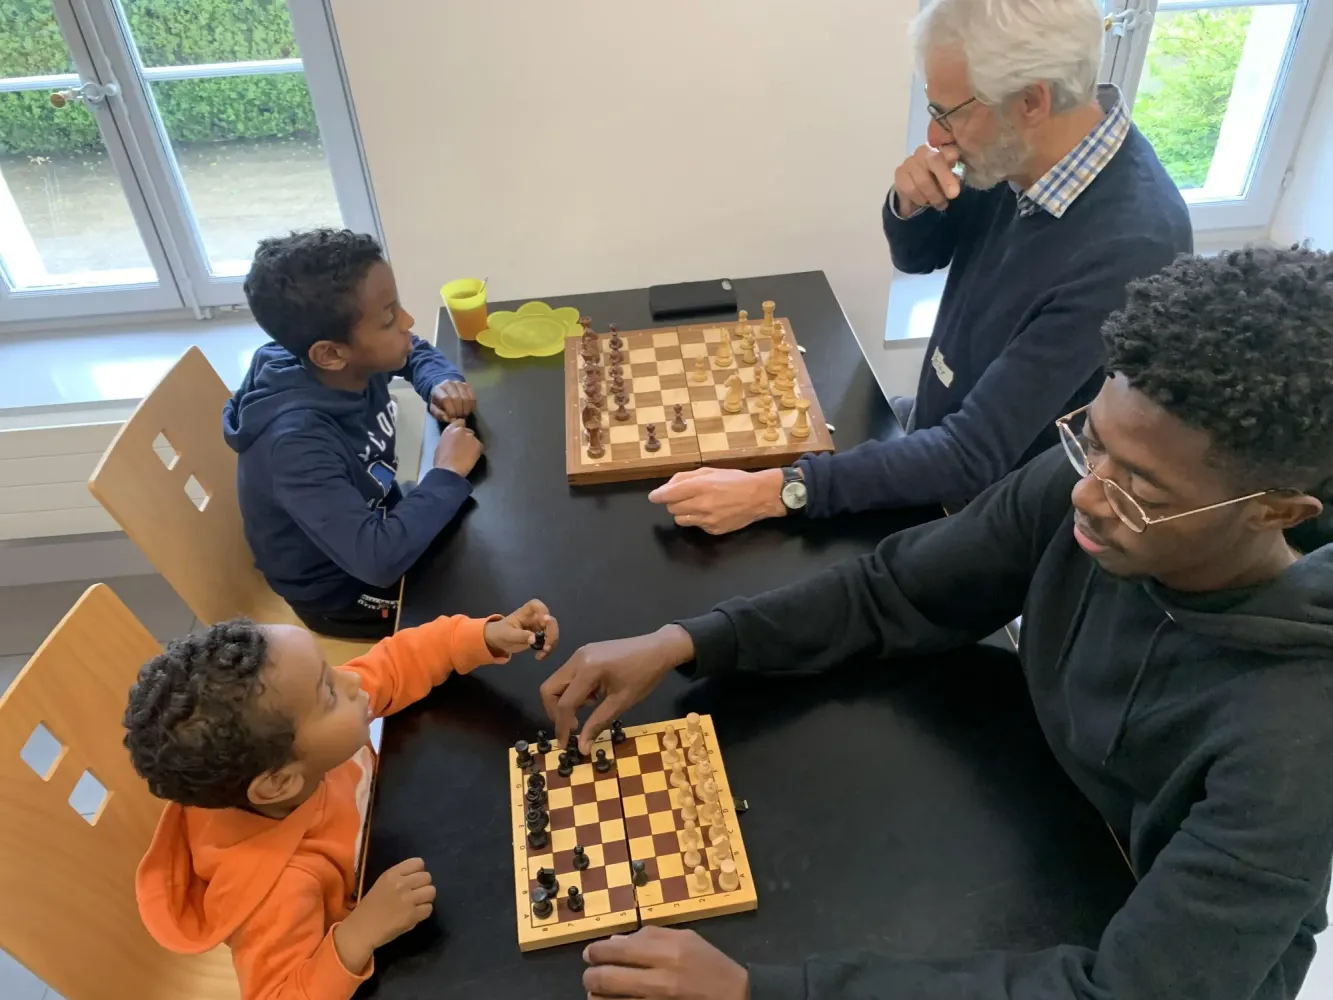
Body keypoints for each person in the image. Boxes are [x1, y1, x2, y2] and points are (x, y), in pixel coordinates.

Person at [544, 248, 1333, 999]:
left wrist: (763, 990)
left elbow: (1129, 991)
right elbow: (898, 589)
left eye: (1141, 492)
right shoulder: (1091, 489)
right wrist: (688, 639)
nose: (1086, 494)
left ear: (1275, 513)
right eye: (1090, 441)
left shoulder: (1294, 743)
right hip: (1037, 814)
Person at [650, 0, 1191, 536]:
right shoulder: (1030, 147)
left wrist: (780, 490)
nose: (934, 136)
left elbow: (974, 454)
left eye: (948, 114)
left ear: (1031, 100)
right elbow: (921, 258)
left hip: (999, 519)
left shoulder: (1131, 246)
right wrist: (910, 205)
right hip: (935, 433)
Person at [124, 599, 558, 999]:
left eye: (329, 672)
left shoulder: (298, 743)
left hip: (391, 836)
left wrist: (482, 636)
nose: (352, 679)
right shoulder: (277, 893)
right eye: (328, 692)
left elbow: (393, 663)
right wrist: (355, 938)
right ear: (279, 784)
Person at [226, 229, 483, 640]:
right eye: (388, 319)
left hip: (378, 522)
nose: (407, 321)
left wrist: (438, 381)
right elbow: (377, 560)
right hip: (343, 591)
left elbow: (412, 349)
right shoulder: (294, 447)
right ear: (330, 353)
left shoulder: (337, 359)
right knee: (485, 612)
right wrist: (446, 473)